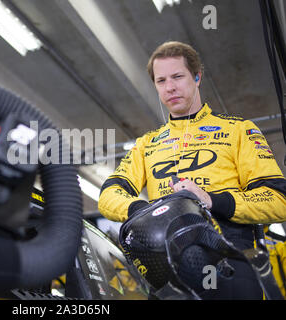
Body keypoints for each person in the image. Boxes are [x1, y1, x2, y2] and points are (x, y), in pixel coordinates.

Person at [98, 41, 286, 299]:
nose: (170, 87)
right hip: (168, 274)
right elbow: (109, 195)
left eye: (177, 76)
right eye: (161, 81)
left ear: (197, 77)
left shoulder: (239, 130)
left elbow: (278, 199)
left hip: (230, 261)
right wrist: (144, 211)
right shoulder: (146, 144)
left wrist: (211, 200)